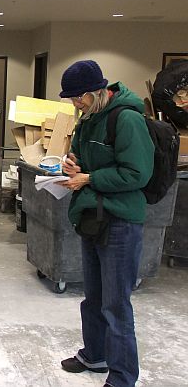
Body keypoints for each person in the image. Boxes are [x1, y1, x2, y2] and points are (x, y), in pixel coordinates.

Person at [57, 60, 154, 387]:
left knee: (116, 305)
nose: (75, 104)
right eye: (72, 99)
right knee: (94, 297)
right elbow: (81, 156)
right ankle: (95, 355)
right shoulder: (88, 119)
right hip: (93, 216)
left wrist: (88, 178)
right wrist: (73, 165)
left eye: (78, 97)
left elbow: (137, 173)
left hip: (121, 222)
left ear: (96, 91)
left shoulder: (126, 119)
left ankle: (123, 377)